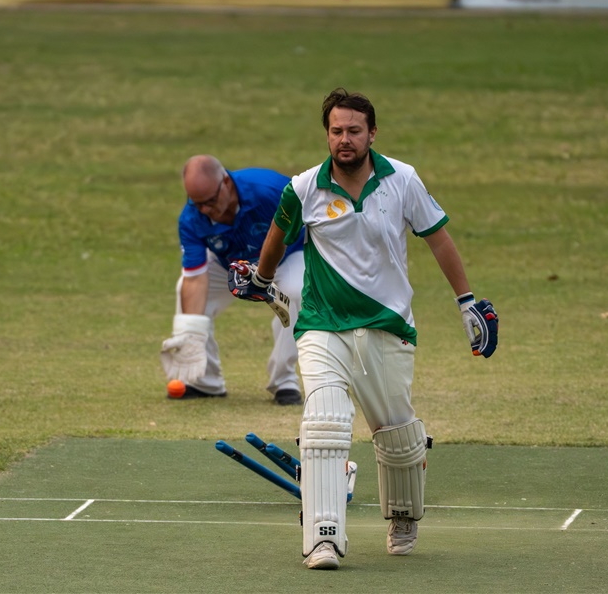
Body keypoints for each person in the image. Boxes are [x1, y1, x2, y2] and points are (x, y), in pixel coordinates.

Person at [228, 88, 498, 569]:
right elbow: (278, 234)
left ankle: (403, 515)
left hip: (386, 324)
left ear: (372, 134)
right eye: (336, 131)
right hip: (322, 325)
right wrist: (263, 281)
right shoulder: (304, 188)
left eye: (354, 130)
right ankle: (323, 538)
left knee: (396, 436)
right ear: (327, 135)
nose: (344, 139)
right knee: (324, 422)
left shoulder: (403, 179)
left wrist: (466, 303)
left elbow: (438, 239)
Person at [160, 155, 306, 405]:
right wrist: (190, 331)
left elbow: (315, 220)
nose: (205, 210)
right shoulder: (191, 218)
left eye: (210, 202)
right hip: (230, 263)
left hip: (285, 256)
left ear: (226, 182)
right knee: (183, 288)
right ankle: (205, 381)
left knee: (296, 291)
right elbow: (194, 278)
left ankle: (284, 381)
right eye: (197, 204)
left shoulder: (270, 189)